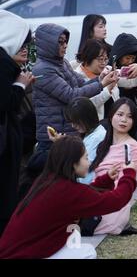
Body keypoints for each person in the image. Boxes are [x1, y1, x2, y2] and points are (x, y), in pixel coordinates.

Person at [20, 23, 117, 201]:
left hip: (67, 132)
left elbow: (80, 83)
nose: (65, 45)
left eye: (65, 41)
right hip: (53, 137)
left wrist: (101, 78)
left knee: (68, 186)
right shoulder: (43, 69)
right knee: (51, 189)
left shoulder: (61, 63)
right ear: (48, 43)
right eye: (60, 42)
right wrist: (101, 85)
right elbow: (71, 96)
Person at [0, 136, 137, 259]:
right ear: (73, 163)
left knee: (76, 248)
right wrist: (130, 173)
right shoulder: (67, 190)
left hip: (12, 251)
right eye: (86, 157)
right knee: (87, 252)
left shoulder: (48, 180)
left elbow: (83, 195)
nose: (89, 162)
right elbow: (116, 201)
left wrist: (106, 179)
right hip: (23, 254)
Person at [0, 10, 34, 236]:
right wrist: (21, 85)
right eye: (22, 43)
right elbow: (4, 102)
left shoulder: (8, 64)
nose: (26, 49)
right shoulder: (3, 64)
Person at [89, 98, 137, 235]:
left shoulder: (132, 147)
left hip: (115, 204)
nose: (124, 120)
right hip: (96, 199)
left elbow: (127, 183)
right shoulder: (103, 145)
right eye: (120, 114)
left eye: (129, 117)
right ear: (111, 115)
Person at [63, 97, 107, 184]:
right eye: (71, 122)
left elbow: (87, 172)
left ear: (87, 118)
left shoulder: (97, 137)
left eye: (76, 122)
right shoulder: (91, 133)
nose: (73, 125)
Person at [74, 39, 119, 120]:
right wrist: (108, 88)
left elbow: (130, 81)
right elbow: (88, 105)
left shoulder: (108, 70)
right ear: (88, 59)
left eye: (106, 59)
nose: (104, 63)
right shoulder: (77, 77)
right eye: (100, 59)